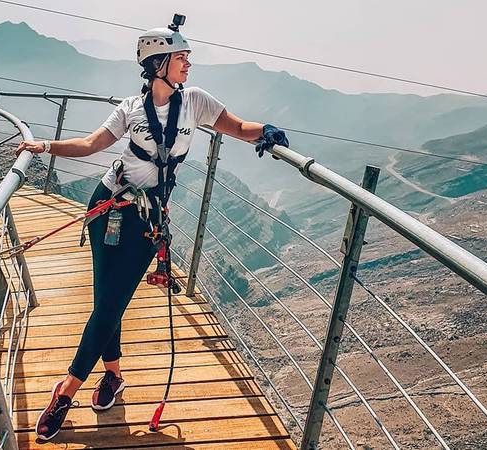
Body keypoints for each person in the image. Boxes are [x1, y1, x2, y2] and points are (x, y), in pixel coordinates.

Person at [15, 15, 289, 441]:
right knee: (107, 302)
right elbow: (90, 144)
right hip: (107, 206)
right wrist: (45, 146)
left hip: (147, 218)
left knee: (110, 304)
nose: (188, 63)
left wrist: (265, 132)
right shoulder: (130, 109)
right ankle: (112, 376)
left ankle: (66, 390)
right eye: (181, 57)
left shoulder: (195, 101)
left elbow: (236, 127)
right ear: (158, 63)